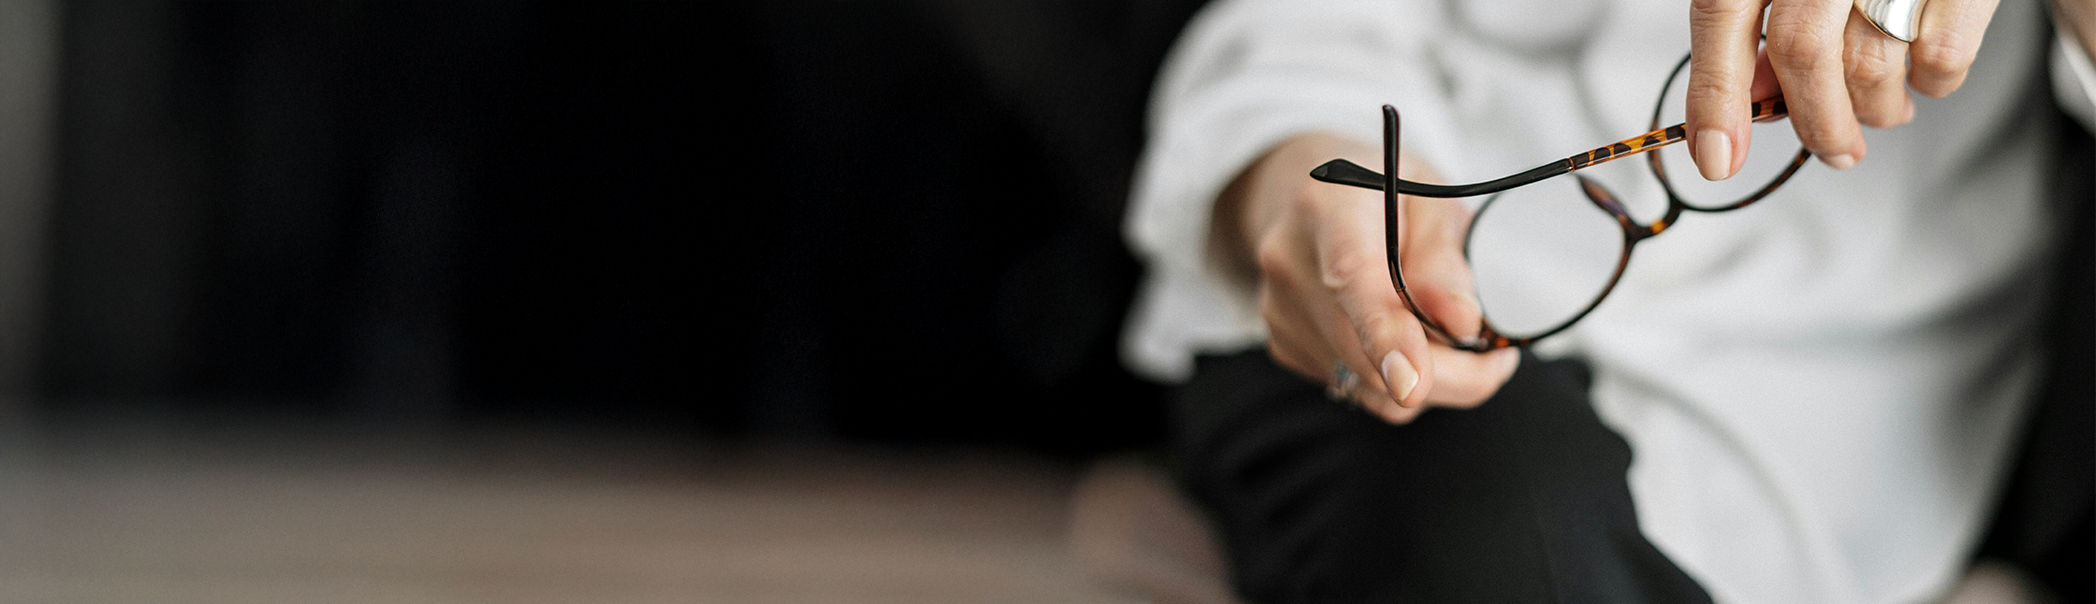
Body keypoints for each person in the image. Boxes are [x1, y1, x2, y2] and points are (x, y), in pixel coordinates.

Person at [1123, 0, 2096, 601]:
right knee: (1496, 507)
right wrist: (1291, 170)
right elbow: (1296, 37)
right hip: (1391, 336)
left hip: (1850, 443)